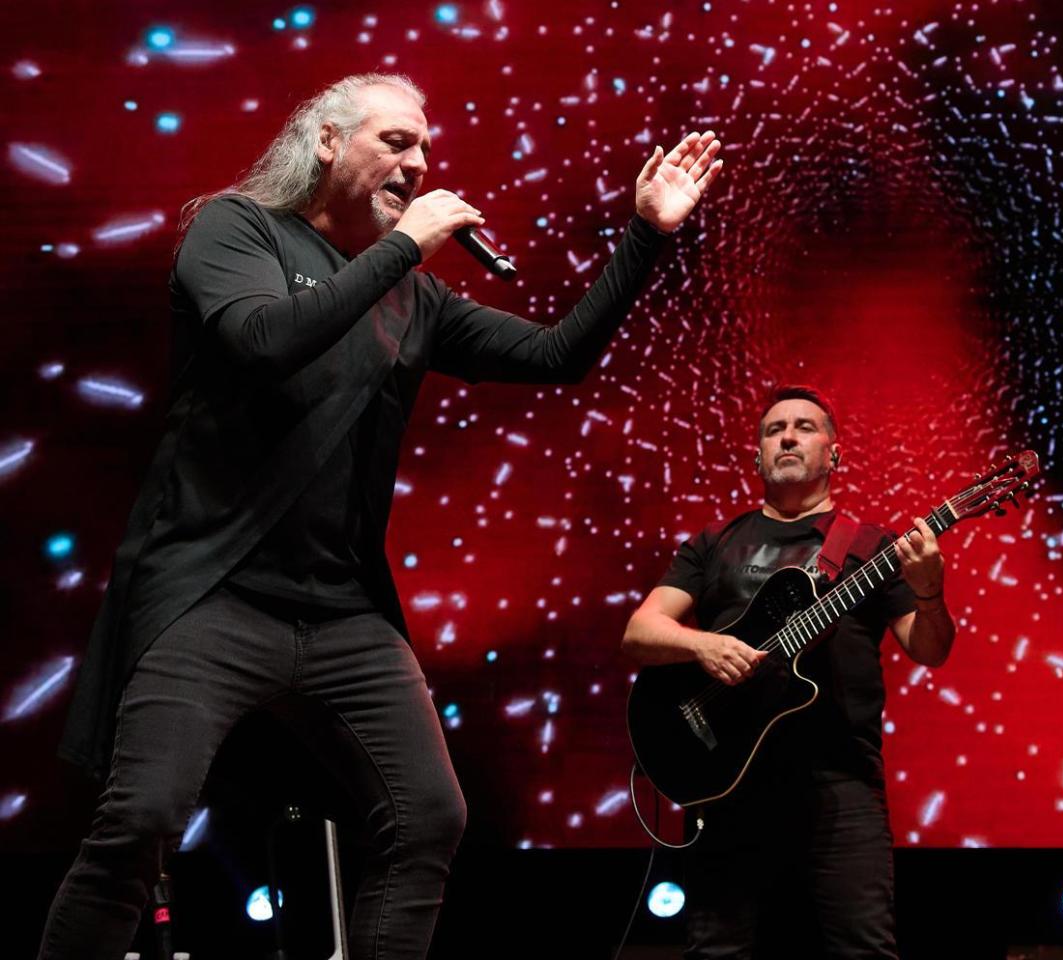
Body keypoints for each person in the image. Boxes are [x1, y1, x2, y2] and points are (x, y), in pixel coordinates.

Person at [41, 73, 722, 959]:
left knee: (428, 819)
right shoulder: (237, 228)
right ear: (326, 140)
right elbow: (261, 340)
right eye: (396, 141)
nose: (419, 161)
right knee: (141, 819)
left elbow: (560, 354)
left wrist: (645, 234)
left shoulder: (417, 298)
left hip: (340, 610)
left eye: (426, 148)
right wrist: (405, 245)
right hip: (214, 592)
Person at [621, 385, 956, 958]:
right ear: (757, 457)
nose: (789, 437)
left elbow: (929, 650)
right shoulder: (714, 543)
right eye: (774, 430)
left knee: (864, 949)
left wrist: (929, 595)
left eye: (804, 426)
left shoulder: (873, 547)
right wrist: (702, 646)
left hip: (840, 779)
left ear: (834, 453)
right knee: (713, 951)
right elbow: (639, 633)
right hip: (727, 777)